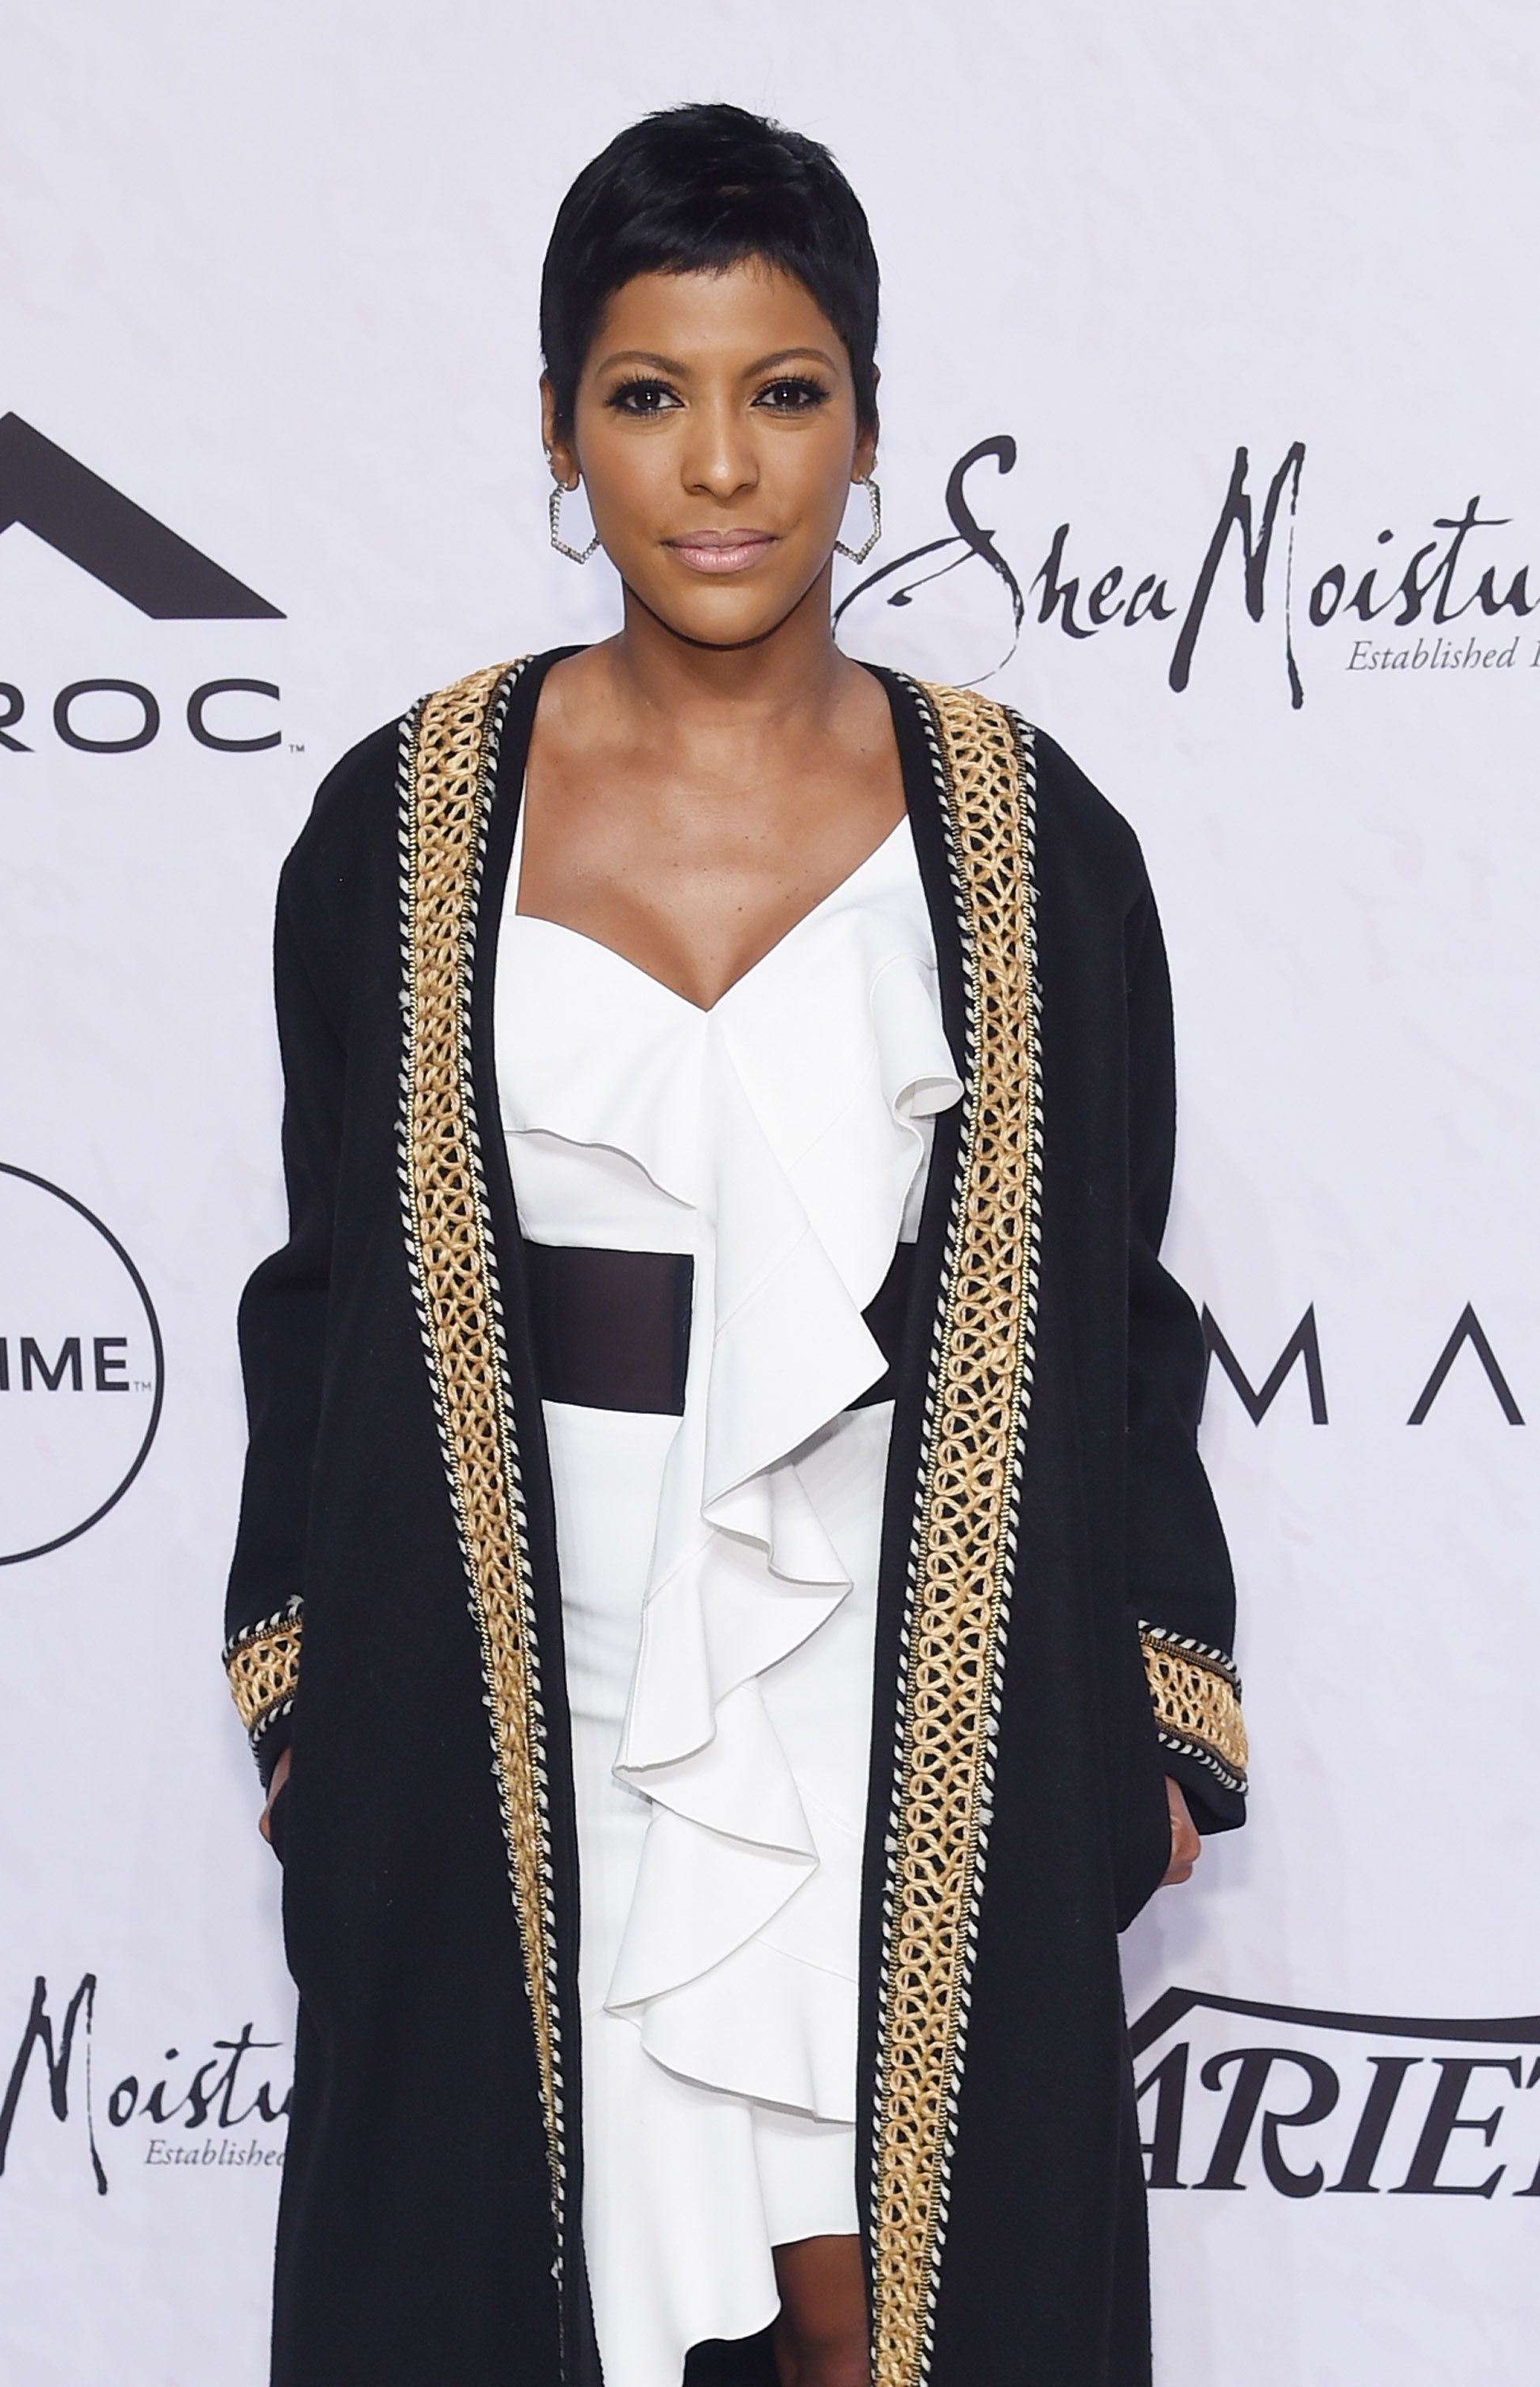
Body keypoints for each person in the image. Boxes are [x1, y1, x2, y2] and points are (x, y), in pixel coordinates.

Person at [224, 101, 1246, 2387]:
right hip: (518, 1656)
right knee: (511, 2285)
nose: (716, 467)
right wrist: (304, 1687)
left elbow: (1112, 1313)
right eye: (646, 396)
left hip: (887, 1669)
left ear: (867, 428)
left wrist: (1158, 1699)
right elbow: (317, 1299)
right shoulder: (396, 822)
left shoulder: (1025, 832)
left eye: (781, 395)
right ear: (561, 436)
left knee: (889, 2315)